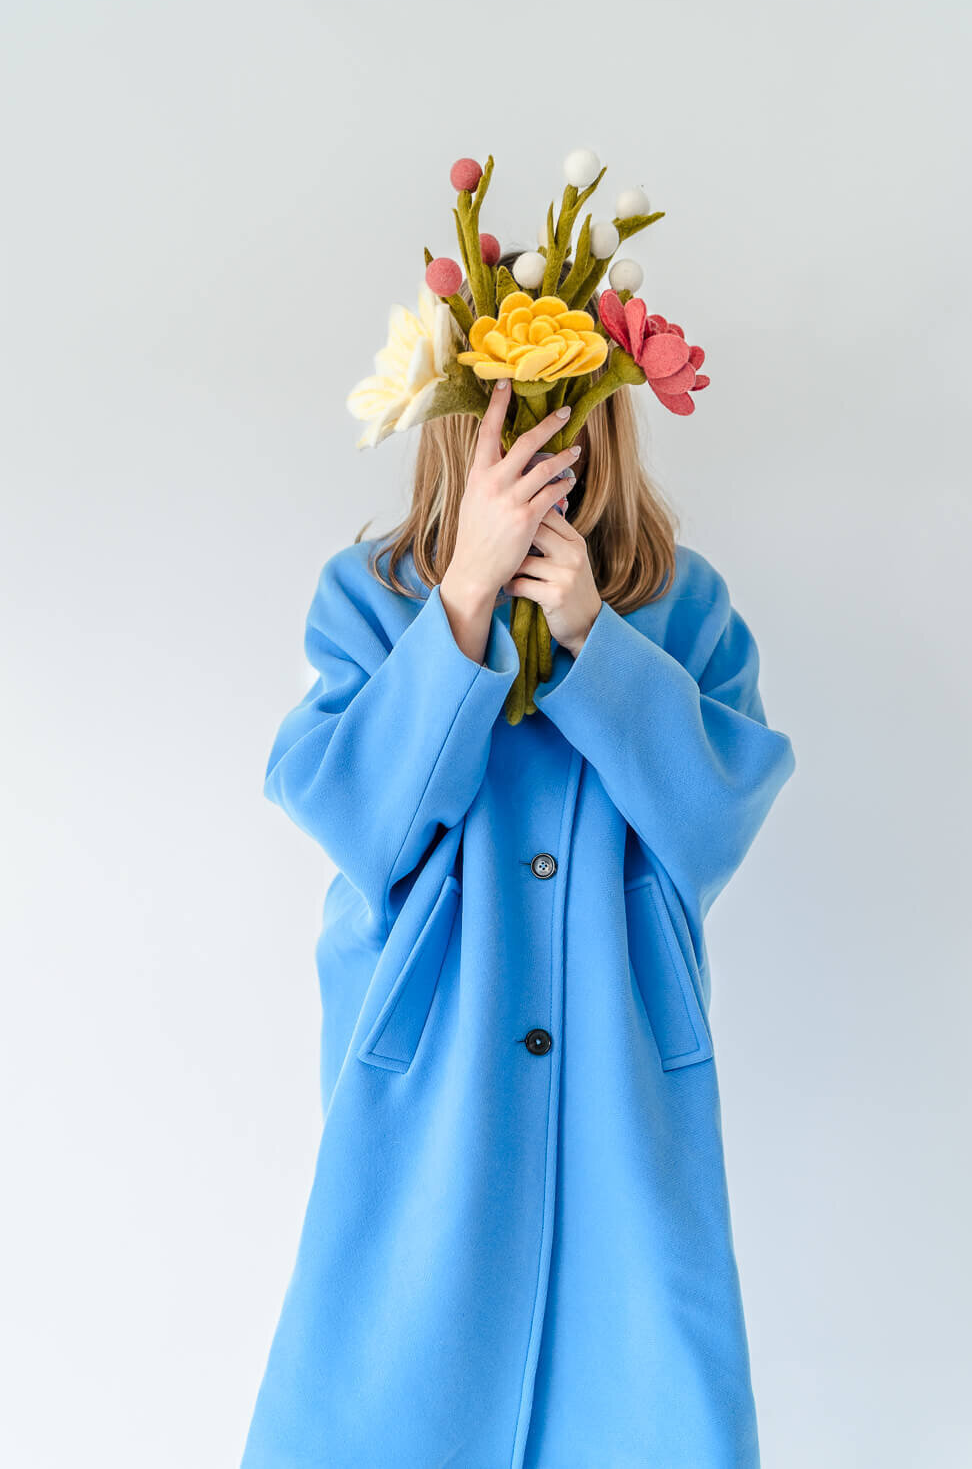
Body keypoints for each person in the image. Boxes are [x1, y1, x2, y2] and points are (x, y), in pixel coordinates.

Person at [241, 260, 796, 1469]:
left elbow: (716, 818)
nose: (548, 448)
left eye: (571, 412)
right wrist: (461, 603)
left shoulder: (681, 605)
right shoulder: (371, 599)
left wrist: (593, 634)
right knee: (395, 1380)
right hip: (434, 1066)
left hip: (619, 1065)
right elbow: (356, 822)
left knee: (643, 1382)